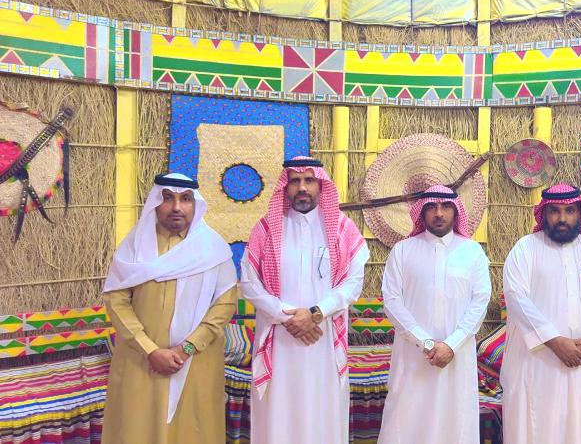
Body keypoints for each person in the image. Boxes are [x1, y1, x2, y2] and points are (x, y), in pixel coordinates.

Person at [241, 156, 370, 444]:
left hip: (323, 338)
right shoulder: (265, 229)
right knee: (278, 414)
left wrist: (314, 313)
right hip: (279, 338)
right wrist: (288, 317)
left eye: (309, 180)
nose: (302, 187)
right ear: (285, 187)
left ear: (320, 185)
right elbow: (249, 283)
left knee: (322, 412)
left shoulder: (342, 229)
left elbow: (353, 284)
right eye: (295, 181)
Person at [102, 173, 237, 444]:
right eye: (167, 198)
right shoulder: (133, 248)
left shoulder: (213, 249)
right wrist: (150, 350)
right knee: (136, 430)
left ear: (195, 204)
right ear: (155, 202)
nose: (176, 207)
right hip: (140, 362)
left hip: (196, 362)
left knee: (192, 431)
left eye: (185, 199)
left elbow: (224, 305)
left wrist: (186, 349)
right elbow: (116, 301)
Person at [501, 183, 581, 444]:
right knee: (538, 427)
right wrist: (555, 342)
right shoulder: (525, 248)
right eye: (555, 211)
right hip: (539, 362)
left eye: (569, 211)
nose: (562, 218)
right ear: (544, 213)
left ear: (580, 213)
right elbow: (516, 298)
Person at [378, 185, 491, 444]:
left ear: (456, 211)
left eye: (446, 206)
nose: (439, 213)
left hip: (457, 355)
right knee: (406, 419)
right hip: (414, 355)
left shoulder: (472, 252)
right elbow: (392, 301)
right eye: (431, 207)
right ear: (421, 212)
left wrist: (451, 345)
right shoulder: (403, 250)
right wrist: (426, 342)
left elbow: (480, 301)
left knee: (455, 420)